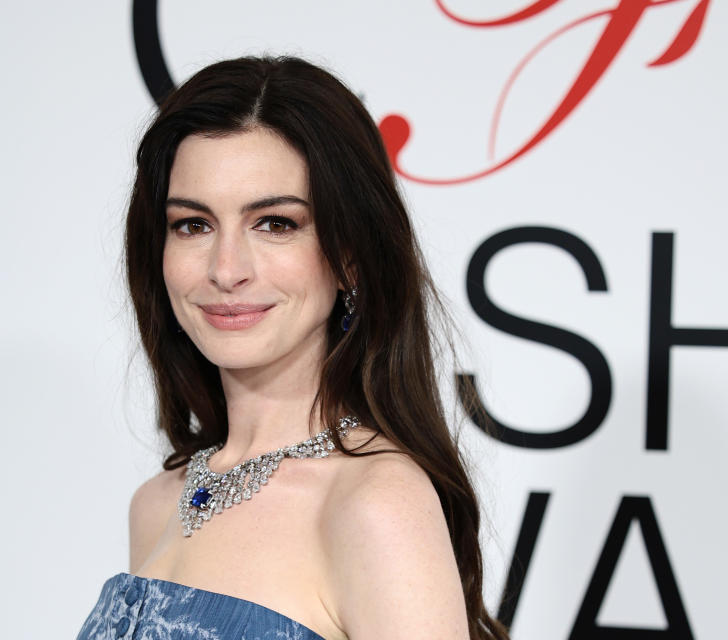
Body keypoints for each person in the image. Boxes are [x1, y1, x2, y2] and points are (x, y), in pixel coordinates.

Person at [75, 55, 511, 640]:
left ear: (349, 255)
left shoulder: (375, 504)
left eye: (275, 223)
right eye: (193, 225)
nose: (226, 270)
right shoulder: (156, 504)